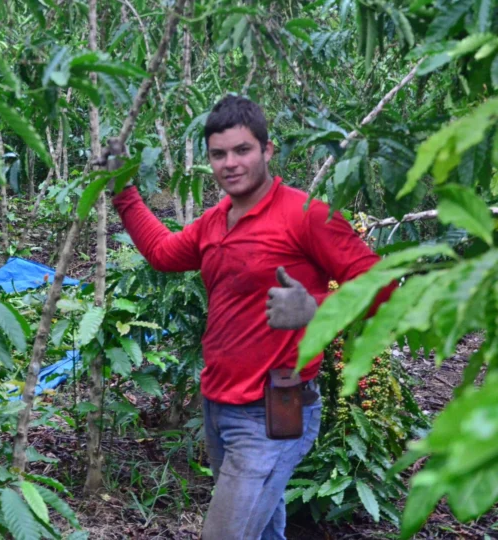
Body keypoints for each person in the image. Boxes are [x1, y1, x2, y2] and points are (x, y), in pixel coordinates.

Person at [101, 95, 395, 539]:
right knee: (260, 527)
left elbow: (383, 285)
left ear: (267, 150)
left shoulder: (305, 215)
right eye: (219, 154)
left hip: (272, 413)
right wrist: (123, 191)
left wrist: (317, 307)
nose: (230, 163)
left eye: (243, 150)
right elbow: (162, 253)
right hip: (219, 407)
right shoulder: (214, 222)